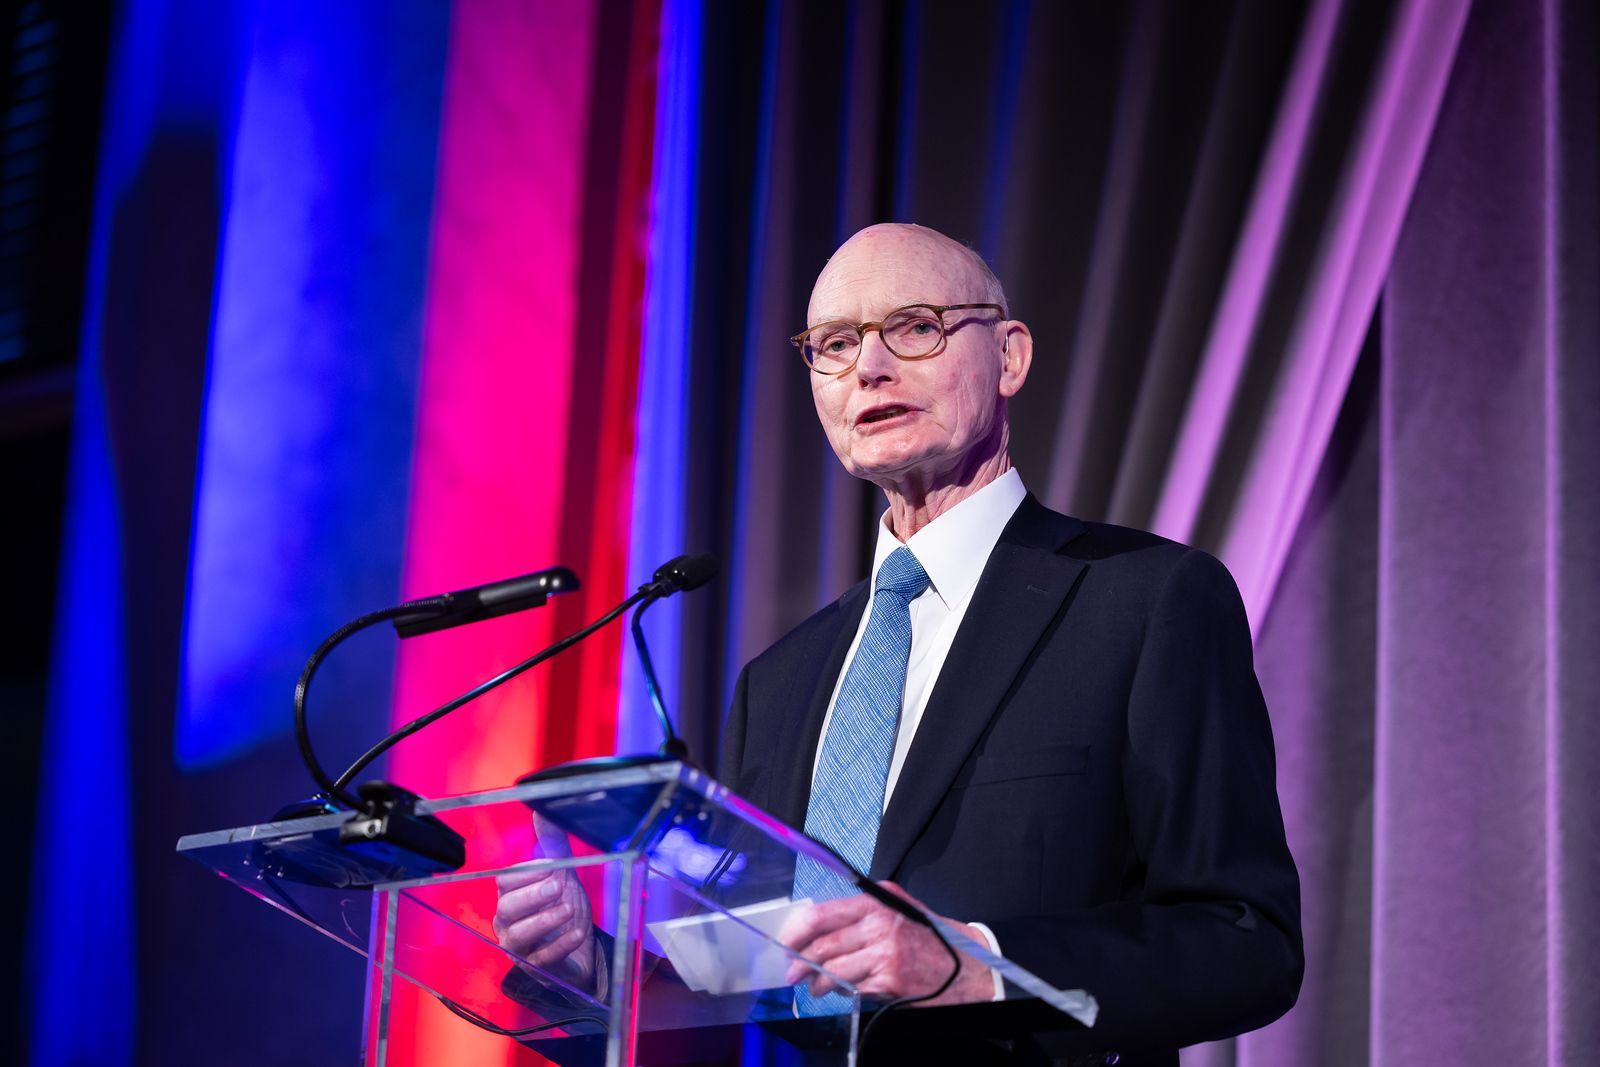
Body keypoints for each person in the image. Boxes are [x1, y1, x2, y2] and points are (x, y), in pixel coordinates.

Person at [498, 223, 1303, 1061]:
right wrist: (592, 970)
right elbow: (757, 990)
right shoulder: (777, 681)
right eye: (835, 344)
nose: (870, 368)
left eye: (915, 326)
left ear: (1011, 356)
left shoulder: (1144, 600)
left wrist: (977, 968)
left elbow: (1244, 941)